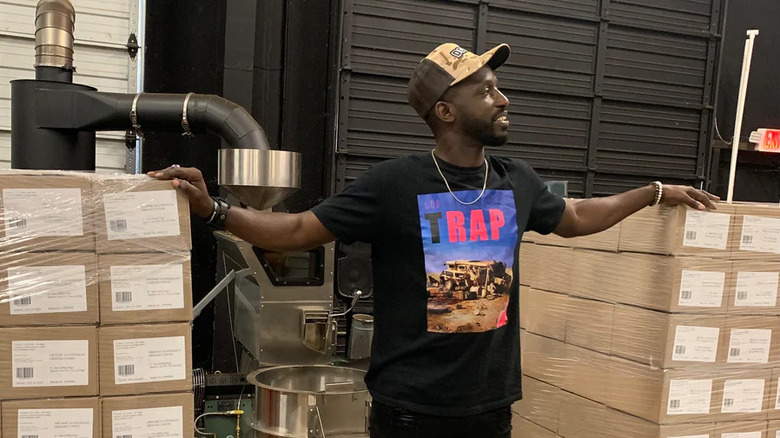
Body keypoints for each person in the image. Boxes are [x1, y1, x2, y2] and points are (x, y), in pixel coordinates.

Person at [151, 42, 718, 438]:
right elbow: (297, 230)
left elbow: (574, 216)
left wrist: (653, 191)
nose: (503, 100)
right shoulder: (395, 183)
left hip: (491, 407)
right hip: (411, 413)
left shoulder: (514, 180)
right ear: (446, 110)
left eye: (499, 88)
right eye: (487, 91)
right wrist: (215, 209)